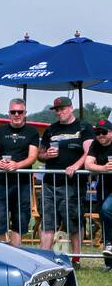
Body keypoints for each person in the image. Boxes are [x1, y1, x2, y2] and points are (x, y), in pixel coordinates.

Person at [38, 96, 93, 263]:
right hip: (50, 181)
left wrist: (76, 166)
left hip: (73, 184)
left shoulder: (84, 127)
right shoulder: (51, 129)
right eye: (57, 110)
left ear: (71, 108)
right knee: (48, 222)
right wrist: (46, 155)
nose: (60, 112)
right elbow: (40, 155)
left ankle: (76, 259)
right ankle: (43, 260)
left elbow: (89, 152)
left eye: (62, 108)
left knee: (73, 223)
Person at [0, 105, 39, 247]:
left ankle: (16, 251)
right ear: (8, 113)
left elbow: (32, 157)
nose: (16, 114)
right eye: (13, 112)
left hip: (22, 182)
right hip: (2, 182)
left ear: (25, 113)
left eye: (20, 112)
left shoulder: (32, 132)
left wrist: (17, 165)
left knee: (21, 217)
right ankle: (3, 251)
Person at [84, 119, 112, 269]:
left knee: (108, 208)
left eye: (104, 132)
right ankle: (109, 263)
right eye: (98, 132)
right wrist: (103, 168)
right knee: (104, 218)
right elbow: (88, 164)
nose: (100, 135)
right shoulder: (96, 144)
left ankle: (109, 244)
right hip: (104, 188)